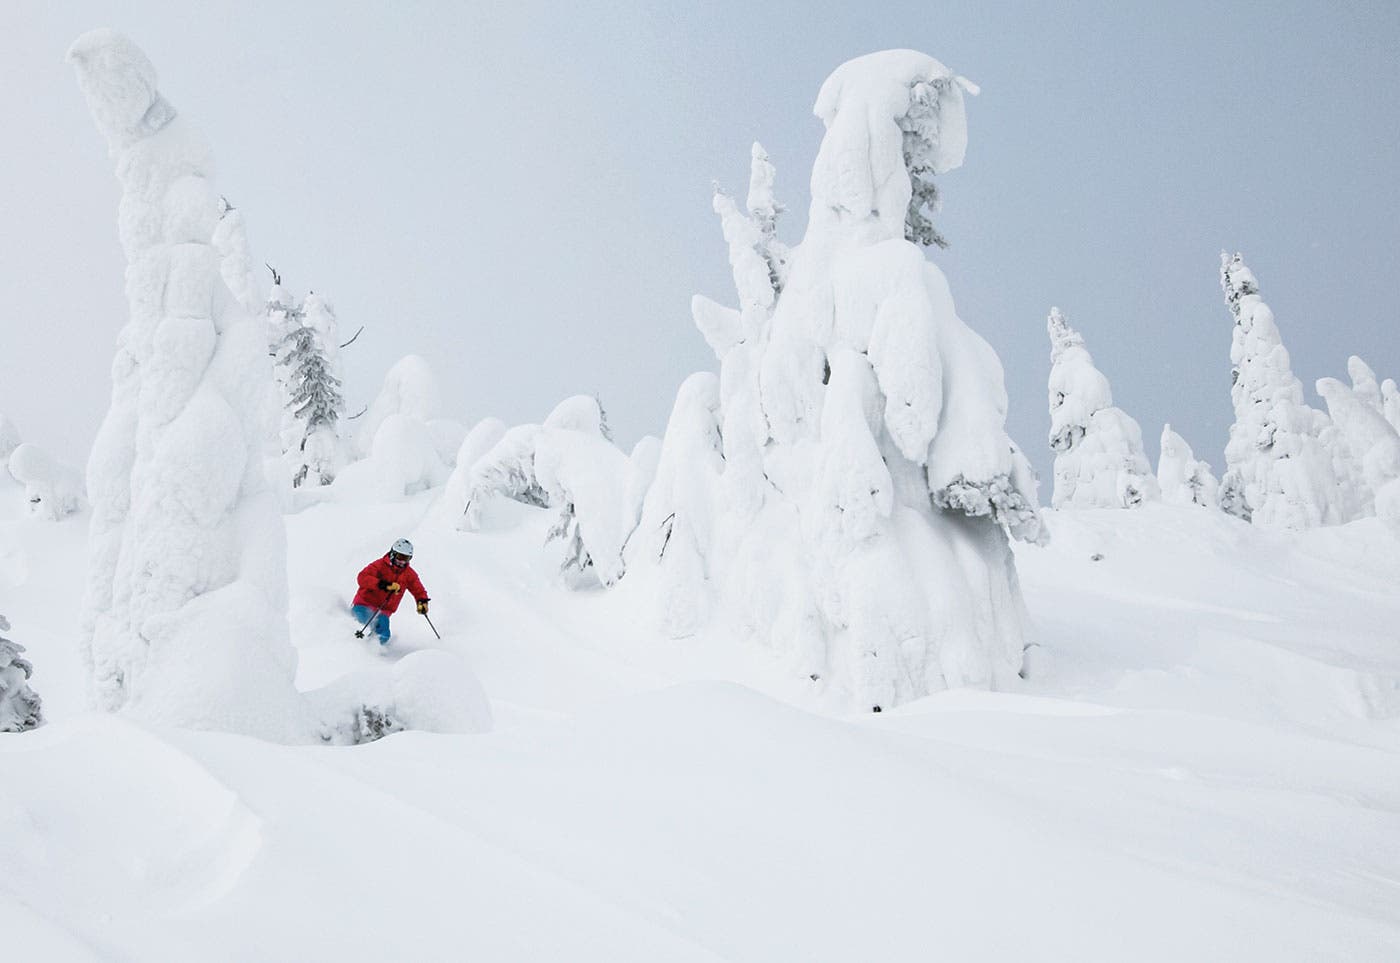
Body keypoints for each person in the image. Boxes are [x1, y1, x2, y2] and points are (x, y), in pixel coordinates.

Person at [351, 538, 430, 646]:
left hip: (383, 610)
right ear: (393, 553)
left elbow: (419, 590)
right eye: (400, 557)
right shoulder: (379, 565)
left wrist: (422, 602)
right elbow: (362, 578)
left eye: (406, 558)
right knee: (362, 627)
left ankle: (372, 652)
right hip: (364, 603)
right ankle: (353, 647)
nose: (402, 561)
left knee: (384, 635)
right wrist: (384, 585)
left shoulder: (409, 574)